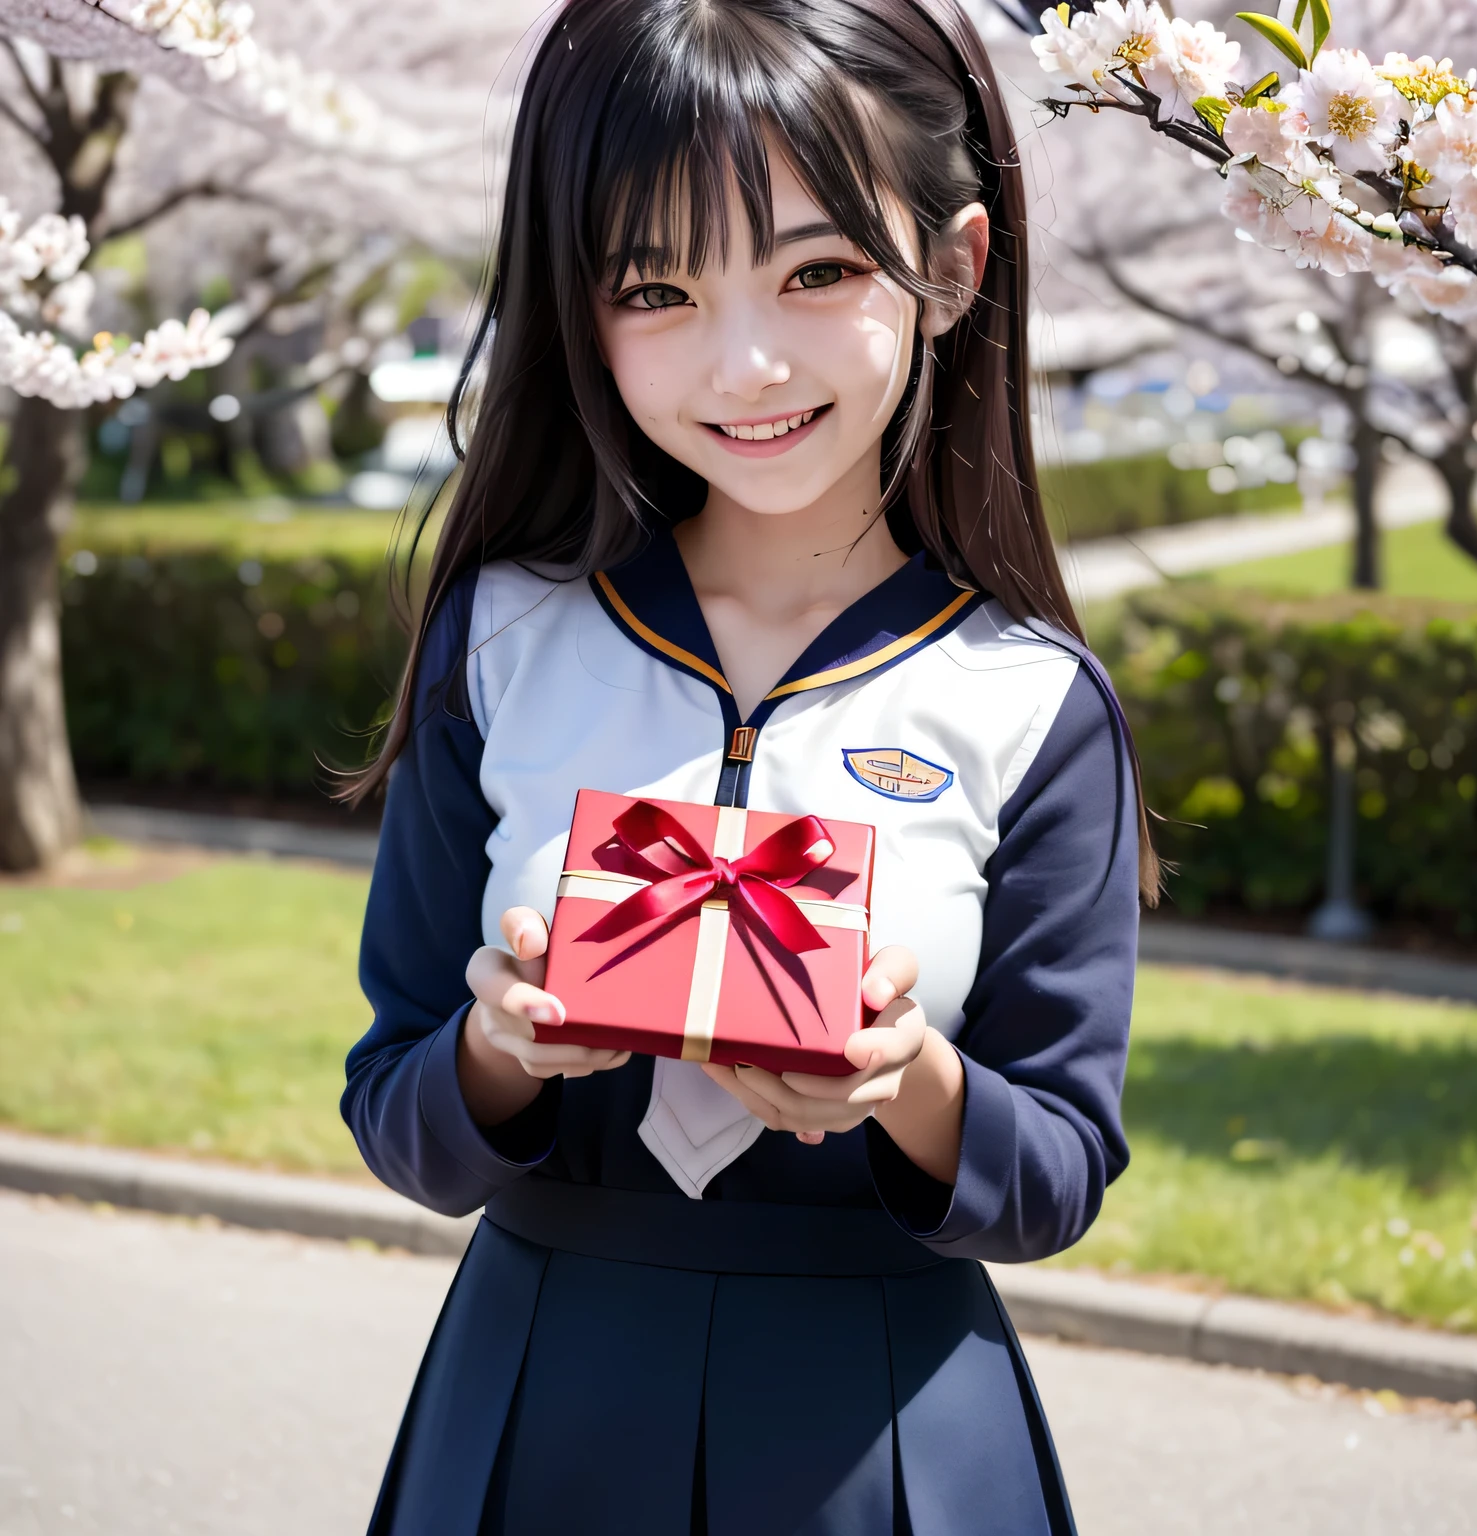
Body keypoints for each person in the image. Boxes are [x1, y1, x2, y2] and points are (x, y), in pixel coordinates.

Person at [342, 1, 1156, 1530]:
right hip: (536, 1393)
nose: (747, 361)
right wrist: (499, 1047)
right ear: (577, 305)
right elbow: (395, 1109)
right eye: (656, 287)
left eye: (818, 270)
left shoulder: (1031, 699)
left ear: (953, 267)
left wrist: (907, 1078)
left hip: (889, 1430)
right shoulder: (506, 635)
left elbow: (1057, 1173)